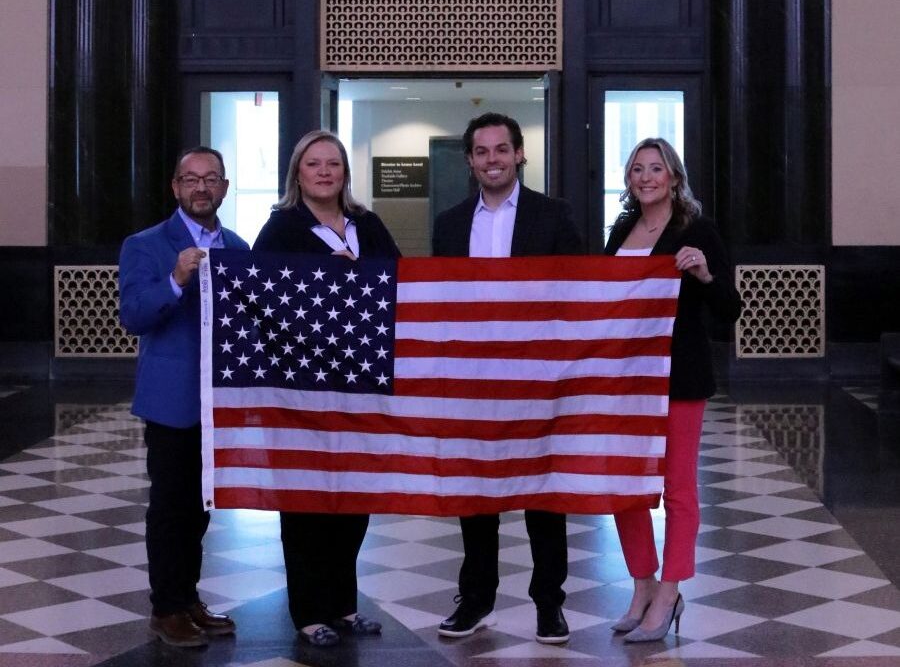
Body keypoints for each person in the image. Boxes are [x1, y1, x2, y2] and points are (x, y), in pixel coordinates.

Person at [432, 113, 584, 644]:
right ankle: (475, 599)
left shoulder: (554, 216)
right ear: (469, 160)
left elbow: (580, 296)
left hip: (538, 378)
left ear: (520, 154)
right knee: (476, 494)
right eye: (481, 151)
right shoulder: (449, 224)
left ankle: (549, 603)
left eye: (502, 149)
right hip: (473, 380)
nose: (492, 159)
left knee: (543, 491)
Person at [253, 130, 401, 647]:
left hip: (362, 382)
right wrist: (320, 279)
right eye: (313, 163)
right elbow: (259, 301)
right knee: (307, 498)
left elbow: (398, 285)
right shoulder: (280, 229)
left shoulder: (369, 224)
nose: (323, 172)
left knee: (355, 495)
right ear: (298, 172)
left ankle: (342, 604)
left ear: (344, 172)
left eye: (333, 163)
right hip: (301, 387)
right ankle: (309, 611)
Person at [604, 138, 741, 642]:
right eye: (637, 169)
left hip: (678, 379)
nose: (645, 177)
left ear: (674, 177)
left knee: (677, 489)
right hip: (623, 381)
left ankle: (669, 591)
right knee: (623, 486)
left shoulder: (696, 229)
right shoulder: (622, 228)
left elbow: (730, 309)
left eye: (655, 168)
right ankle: (641, 585)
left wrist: (704, 274)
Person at [119, 146, 249, 647]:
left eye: (211, 178)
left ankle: (188, 596)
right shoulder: (145, 244)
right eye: (191, 179)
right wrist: (175, 280)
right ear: (175, 187)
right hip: (171, 400)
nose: (201, 188)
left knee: (200, 509)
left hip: (219, 404)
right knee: (170, 506)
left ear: (223, 187)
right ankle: (165, 607)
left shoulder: (238, 247)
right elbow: (132, 316)